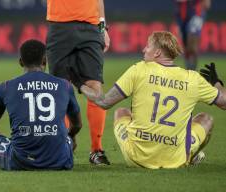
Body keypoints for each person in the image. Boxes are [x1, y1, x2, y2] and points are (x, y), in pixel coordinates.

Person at [68, 31, 226, 169]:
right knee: (206, 119)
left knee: (121, 112)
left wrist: (79, 84)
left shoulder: (139, 69)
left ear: (157, 53)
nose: (144, 50)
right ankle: (191, 156)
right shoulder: (193, 78)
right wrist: (217, 83)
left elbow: (103, 102)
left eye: (148, 46)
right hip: (175, 160)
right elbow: (224, 102)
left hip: (136, 157)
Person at [0, 39, 82, 170]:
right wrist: (70, 137)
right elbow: (77, 125)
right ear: (44, 61)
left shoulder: (5, 87)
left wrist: (3, 137)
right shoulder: (65, 85)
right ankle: (63, 146)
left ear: (20, 62)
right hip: (61, 160)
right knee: (68, 139)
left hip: (20, 161)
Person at [46, 0, 110, 165]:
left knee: (95, 88)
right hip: (59, 26)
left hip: (90, 27)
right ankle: (62, 147)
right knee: (59, 90)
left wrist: (102, 28)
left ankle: (97, 150)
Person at [175, 0, 212, 70]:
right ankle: (188, 67)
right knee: (185, 45)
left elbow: (207, 5)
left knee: (192, 42)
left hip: (196, 15)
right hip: (182, 16)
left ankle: (194, 68)